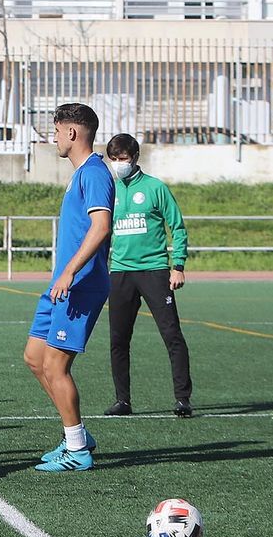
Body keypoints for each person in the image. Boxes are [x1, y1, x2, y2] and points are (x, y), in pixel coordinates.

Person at [25, 102, 114, 473]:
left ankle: (76, 449)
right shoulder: (80, 174)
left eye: (57, 130)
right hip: (62, 285)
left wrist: (69, 273)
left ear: (72, 133)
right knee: (34, 357)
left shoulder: (94, 173)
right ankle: (75, 432)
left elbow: (101, 227)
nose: (55, 138)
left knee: (56, 366)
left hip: (79, 286)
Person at [102, 133, 193, 419]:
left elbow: (177, 227)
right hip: (120, 273)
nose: (119, 164)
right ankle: (123, 401)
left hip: (154, 271)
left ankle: (182, 399)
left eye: (123, 159)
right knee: (118, 339)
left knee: (172, 335)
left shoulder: (155, 188)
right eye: (114, 160)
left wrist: (177, 265)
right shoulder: (109, 190)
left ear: (135, 158)